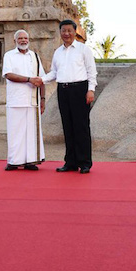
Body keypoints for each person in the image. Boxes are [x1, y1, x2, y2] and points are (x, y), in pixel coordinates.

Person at [42, 19, 97, 174]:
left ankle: (85, 162)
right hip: (63, 90)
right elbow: (54, 72)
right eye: (63, 31)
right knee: (67, 126)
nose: (66, 34)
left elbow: (91, 71)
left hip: (80, 89)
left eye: (69, 31)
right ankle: (70, 162)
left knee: (81, 127)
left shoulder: (83, 49)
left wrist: (90, 90)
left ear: (75, 32)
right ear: (60, 33)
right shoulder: (58, 52)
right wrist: (41, 80)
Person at [1, 29, 46, 171]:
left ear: (29, 40)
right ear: (15, 41)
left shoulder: (35, 56)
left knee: (31, 132)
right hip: (15, 100)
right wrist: (28, 79)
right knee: (15, 131)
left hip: (33, 101)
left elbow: (41, 79)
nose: (23, 40)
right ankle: (14, 161)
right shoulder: (9, 55)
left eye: (25, 38)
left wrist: (43, 99)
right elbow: (8, 74)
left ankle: (30, 161)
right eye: (20, 38)